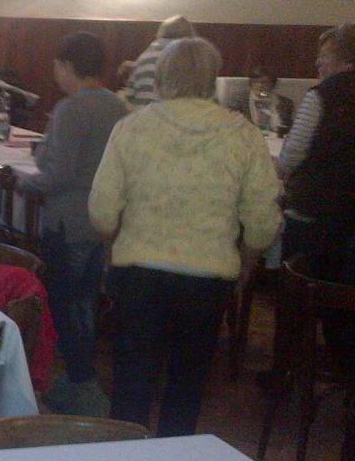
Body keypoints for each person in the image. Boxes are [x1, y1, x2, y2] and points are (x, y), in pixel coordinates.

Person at [89, 37, 281, 437]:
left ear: (159, 77)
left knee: (131, 386)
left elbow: (102, 213)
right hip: (207, 279)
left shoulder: (132, 128)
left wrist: (117, 243)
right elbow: (264, 222)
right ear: (212, 79)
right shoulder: (242, 135)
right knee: (187, 388)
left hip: (139, 275)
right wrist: (246, 261)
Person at [18, 32, 129, 416]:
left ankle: (82, 385)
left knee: (65, 307)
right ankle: (81, 382)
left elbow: (59, 174)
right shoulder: (119, 106)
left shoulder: (70, 109)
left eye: (57, 66)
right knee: (85, 305)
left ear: (67, 66)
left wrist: (24, 183)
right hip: (102, 223)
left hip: (67, 222)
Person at [275, 23, 355, 461]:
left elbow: (292, 154)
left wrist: (280, 172)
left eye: (323, 54)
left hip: (315, 214)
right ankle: (343, 372)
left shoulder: (321, 96)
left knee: (297, 297)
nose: (318, 63)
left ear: (341, 56)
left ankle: (286, 372)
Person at [125, 14, 195, 108]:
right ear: (190, 35)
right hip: (174, 114)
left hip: (142, 113)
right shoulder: (190, 58)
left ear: (161, 32)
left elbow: (130, 94)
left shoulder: (145, 55)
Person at [226, 66, 295, 132]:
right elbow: (231, 123)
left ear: (273, 85)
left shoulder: (286, 103)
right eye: (255, 82)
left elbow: (288, 128)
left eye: (264, 82)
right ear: (250, 84)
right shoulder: (237, 100)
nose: (260, 85)